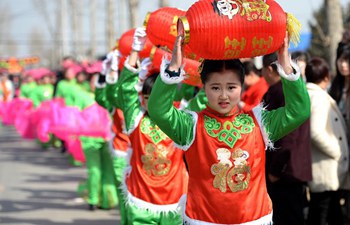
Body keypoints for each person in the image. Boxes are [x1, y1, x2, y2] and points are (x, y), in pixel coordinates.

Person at [148, 32, 310, 224]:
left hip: (254, 218)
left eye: (231, 87)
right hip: (204, 219)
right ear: (204, 88)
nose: (224, 95)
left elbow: (299, 111)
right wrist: (174, 68)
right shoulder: (190, 125)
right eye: (215, 88)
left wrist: (286, 67)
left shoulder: (259, 123)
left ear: (241, 87)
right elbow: (158, 110)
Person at [106, 27, 188, 224]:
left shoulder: (180, 118)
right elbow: (126, 90)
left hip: (174, 202)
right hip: (141, 200)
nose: (151, 104)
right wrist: (135, 50)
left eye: (155, 99)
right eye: (146, 98)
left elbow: (201, 96)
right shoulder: (136, 118)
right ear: (141, 98)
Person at [262, 51, 312, 225]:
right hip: (290, 170)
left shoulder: (282, 92)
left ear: (269, 69)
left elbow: (288, 137)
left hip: (284, 172)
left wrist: (276, 170)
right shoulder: (279, 91)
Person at [305, 57, 349, 225]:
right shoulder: (318, 97)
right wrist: (337, 151)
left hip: (322, 168)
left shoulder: (310, 95)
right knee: (322, 214)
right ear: (326, 77)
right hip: (325, 168)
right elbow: (315, 131)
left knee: (329, 213)